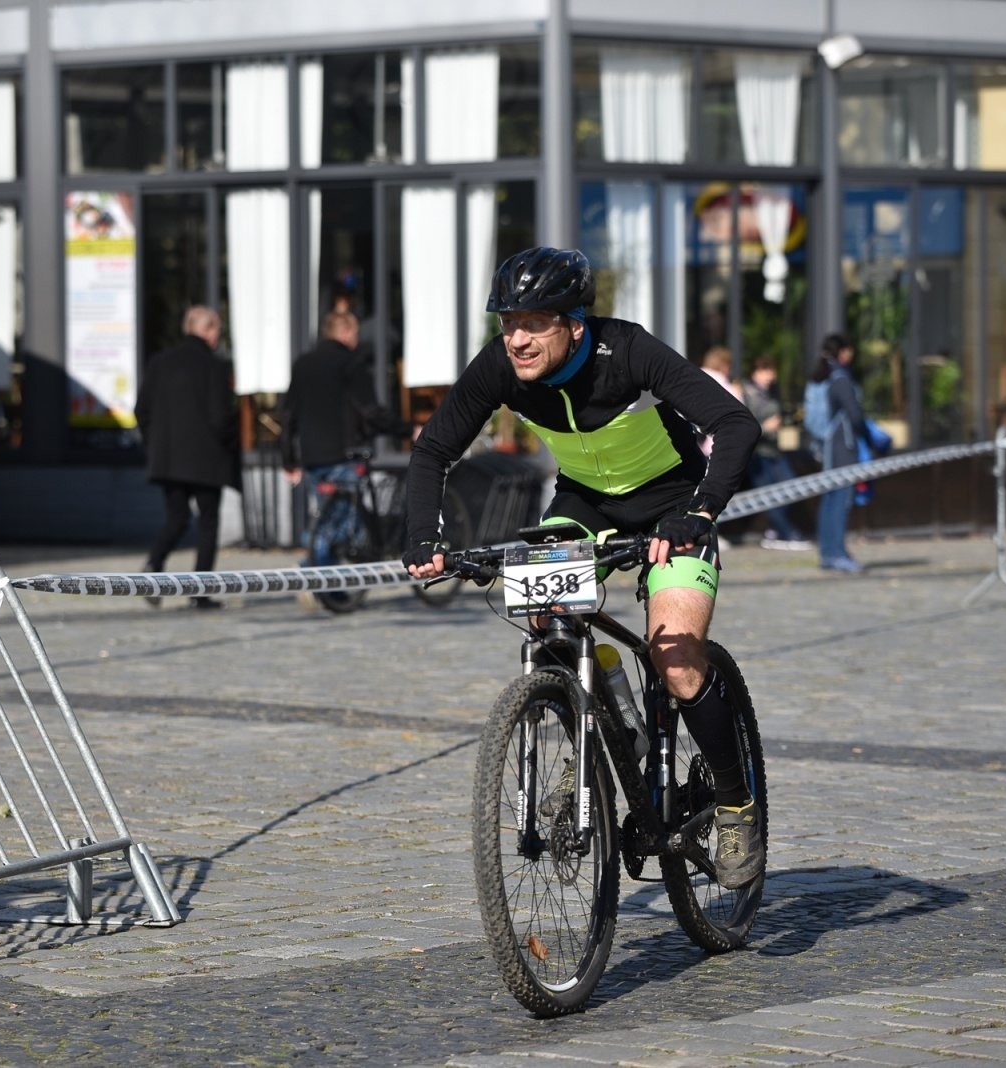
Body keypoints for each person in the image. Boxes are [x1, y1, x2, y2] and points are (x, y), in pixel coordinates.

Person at [401, 247, 764, 888]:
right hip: (584, 504)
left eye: (534, 322)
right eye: (507, 321)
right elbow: (433, 449)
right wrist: (422, 538)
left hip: (674, 503)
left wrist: (701, 512)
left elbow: (735, 424)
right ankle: (592, 725)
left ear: (573, 323)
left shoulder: (626, 351)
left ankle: (737, 804)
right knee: (546, 621)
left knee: (675, 659)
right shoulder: (501, 368)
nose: (516, 338)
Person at [280, 309, 416, 568]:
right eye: (354, 332)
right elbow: (371, 411)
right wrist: (406, 430)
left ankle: (332, 592)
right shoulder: (350, 364)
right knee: (339, 524)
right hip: (344, 454)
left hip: (312, 458)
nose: (357, 338)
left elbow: (287, 415)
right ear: (344, 333)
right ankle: (308, 570)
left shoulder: (303, 364)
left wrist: (289, 460)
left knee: (327, 517)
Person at [135, 306, 240, 609]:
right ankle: (200, 590)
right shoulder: (215, 366)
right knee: (208, 522)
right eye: (218, 329)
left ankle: (154, 565)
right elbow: (221, 419)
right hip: (207, 461)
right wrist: (230, 445)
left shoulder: (160, 362)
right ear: (207, 330)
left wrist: (155, 445)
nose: (219, 336)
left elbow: (142, 410)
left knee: (177, 518)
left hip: (169, 459)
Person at [809, 334, 870, 574]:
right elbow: (854, 415)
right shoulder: (842, 378)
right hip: (842, 448)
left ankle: (829, 552)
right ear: (843, 352)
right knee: (840, 500)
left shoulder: (826, 376)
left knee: (830, 499)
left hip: (831, 447)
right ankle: (835, 552)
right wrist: (868, 436)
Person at [741, 357, 812, 550]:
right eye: (764, 371)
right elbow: (742, 427)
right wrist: (765, 427)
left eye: (771, 372)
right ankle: (787, 534)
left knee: (790, 488)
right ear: (754, 372)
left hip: (774, 451)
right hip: (756, 453)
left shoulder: (773, 391)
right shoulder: (745, 392)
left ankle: (775, 531)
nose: (768, 377)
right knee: (769, 495)